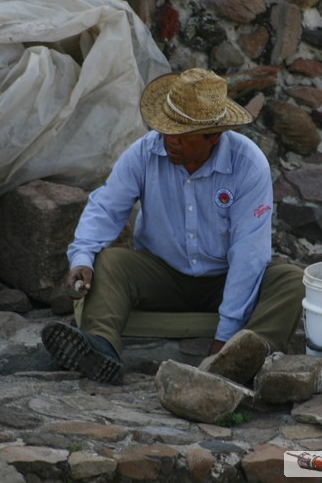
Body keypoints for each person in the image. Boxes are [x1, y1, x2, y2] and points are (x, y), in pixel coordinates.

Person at [41, 68, 304, 384]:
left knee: (292, 280)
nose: (169, 141)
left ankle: (245, 357)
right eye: (166, 130)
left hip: (225, 279)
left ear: (213, 136)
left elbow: (249, 254)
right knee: (110, 261)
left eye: (181, 135)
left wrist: (225, 337)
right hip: (161, 275)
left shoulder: (249, 165)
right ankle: (101, 346)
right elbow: (106, 208)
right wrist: (82, 258)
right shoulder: (144, 152)